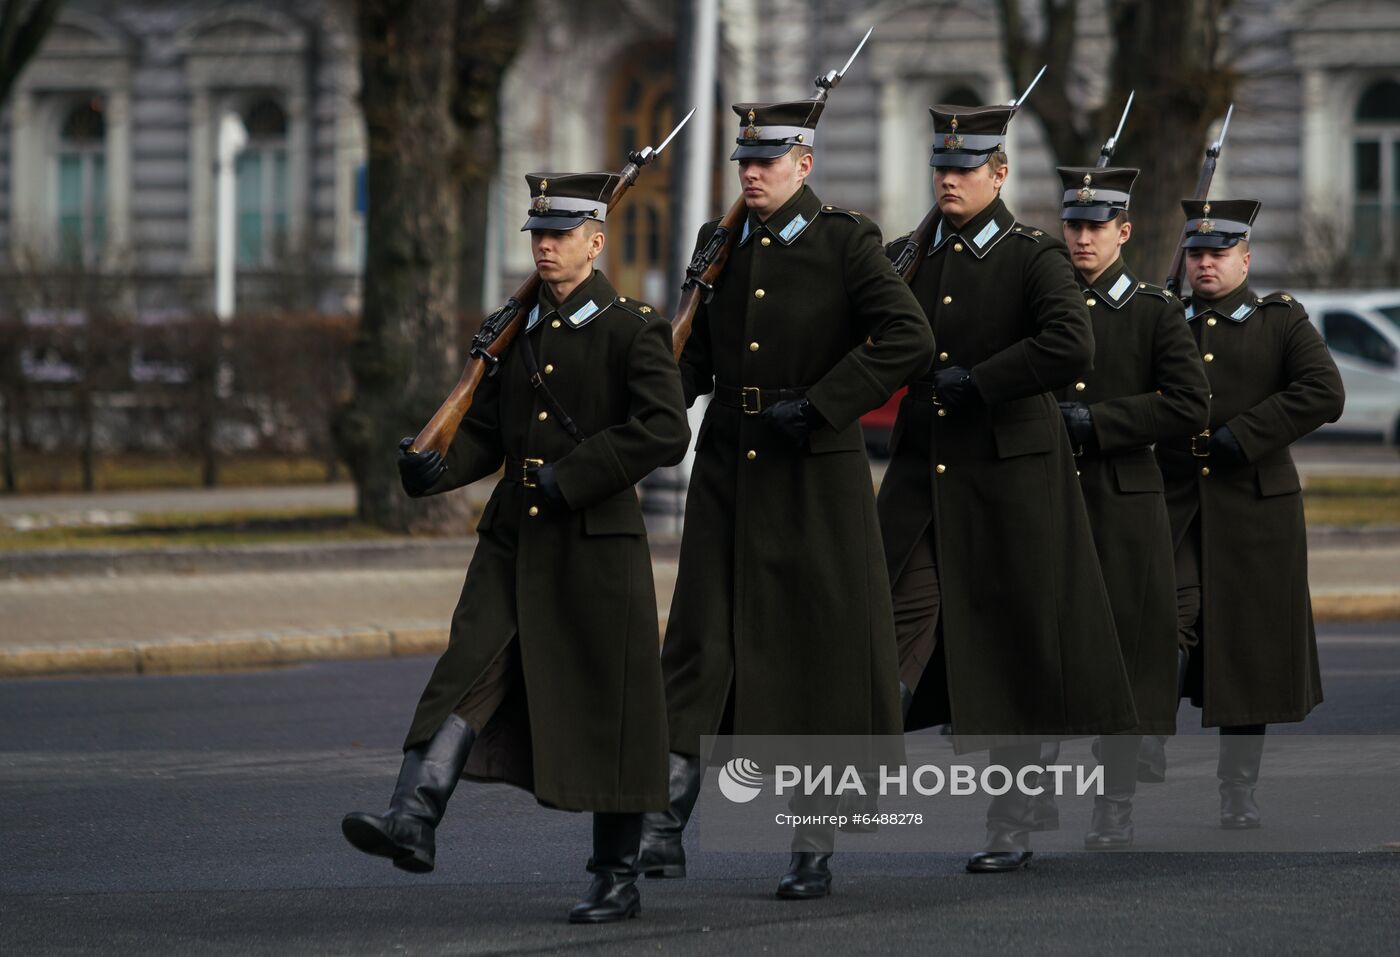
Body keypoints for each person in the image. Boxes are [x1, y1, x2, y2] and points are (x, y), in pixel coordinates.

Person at [341, 171, 690, 923]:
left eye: (560, 235)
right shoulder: (519, 326)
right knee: (463, 669)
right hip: (513, 535)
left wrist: (575, 475)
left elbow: (666, 430)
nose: (545, 247)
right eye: (537, 234)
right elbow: (488, 436)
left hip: (594, 540)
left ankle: (616, 873)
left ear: (596, 244)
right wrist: (436, 467)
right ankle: (412, 816)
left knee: (611, 707)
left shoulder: (634, 327)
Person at [638, 97, 935, 899]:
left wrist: (827, 401)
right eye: (745, 161)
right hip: (732, 469)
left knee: (818, 652)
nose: (754, 173)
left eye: (768, 160)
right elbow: (694, 357)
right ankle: (663, 821)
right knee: (702, 637)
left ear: (803, 163)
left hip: (815, 472)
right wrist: (653, 406)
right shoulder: (719, 242)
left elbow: (908, 336)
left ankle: (814, 839)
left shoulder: (847, 239)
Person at [878, 102, 1137, 873]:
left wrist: (981, 383)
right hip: (925, 477)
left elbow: (1068, 342)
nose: (949, 180)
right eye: (942, 168)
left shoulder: (1033, 256)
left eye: (964, 169)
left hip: (1010, 476)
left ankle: (1013, 819)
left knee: (1017, 643)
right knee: (883, 619)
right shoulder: (908, 254)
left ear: (998, 173)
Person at [1157, 198, 1344, 829]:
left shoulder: (1280, 321)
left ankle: (1238, 788)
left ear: (1245, 257)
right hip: (1176, 500)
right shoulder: (1164, 317)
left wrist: (1248, 433)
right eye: (1197, 253)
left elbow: (1324, 391)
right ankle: (1138, 762)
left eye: (1218, 253)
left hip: (1255, 510)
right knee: (1164, 625)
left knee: (1247, 650)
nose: (1205, 264)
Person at [1051, 165, 1210, 847]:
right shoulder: (1044, 302)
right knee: (1042, 649)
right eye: (1074, 226)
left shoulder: (1153, 310)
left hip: (1122, 502)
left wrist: (1100, 423)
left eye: (1096, 227)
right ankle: (1023, 803)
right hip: (1053, 500)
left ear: (1123, 231)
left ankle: (1113, 800)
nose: (1083, 239)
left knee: (1123, 655)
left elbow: (1189, 401)